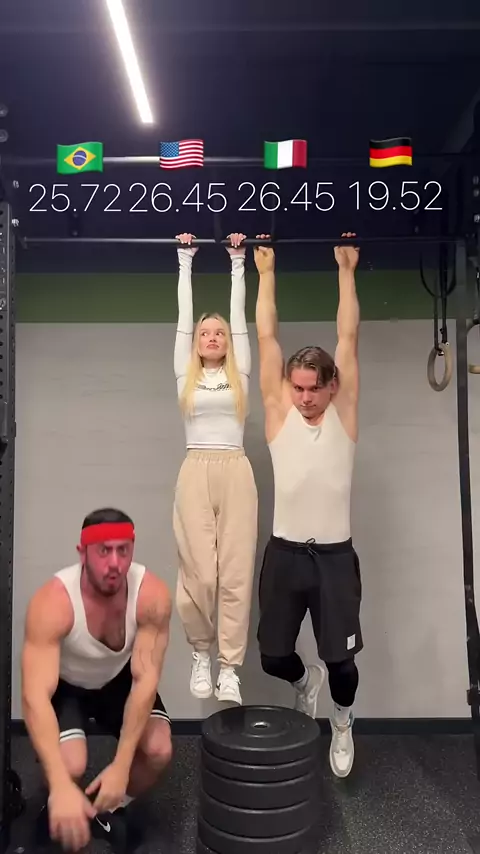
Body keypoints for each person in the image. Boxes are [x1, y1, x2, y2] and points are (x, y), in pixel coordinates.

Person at [254, 232, 361, 779]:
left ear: (331, 386)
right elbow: (266, 334)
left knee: (341, 661)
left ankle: (342, 720)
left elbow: (348, 335)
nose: (304, 398)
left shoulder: (344, 412)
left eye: (314, 389)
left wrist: (346, 271)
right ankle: (304, 682)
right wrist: (266, 274)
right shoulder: (279, 413)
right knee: (273, 655)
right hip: (285, 554)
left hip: (334, 558)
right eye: (297, 388)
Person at [21, 508, 172, 853]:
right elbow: (34, 696)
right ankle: (58, 805)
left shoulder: (151, 596)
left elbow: (145, 681)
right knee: (70, 765)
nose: (115, 563)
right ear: (82, 552)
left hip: (117, 681)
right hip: (67, 686)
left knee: (158, 750)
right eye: (103, 551)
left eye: (123, 550)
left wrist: (121, 766)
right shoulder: (54, 602)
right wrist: (60, 784)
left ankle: (105, 812)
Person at [173, 232, 258, 706]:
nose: (211, 337)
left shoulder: (238, 374)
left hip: (235, 468)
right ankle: (200, 653)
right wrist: (185, 260)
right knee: (201, 574)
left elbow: (240, 319)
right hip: (195, 469)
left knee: (236, 573)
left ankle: (229, 668)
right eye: (205, 333)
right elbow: (182, 322)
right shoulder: (184, 374)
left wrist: (237, 261)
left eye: (219, 333)